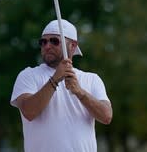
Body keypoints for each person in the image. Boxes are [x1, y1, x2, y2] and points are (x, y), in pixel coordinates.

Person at [10, 19, 113, 152]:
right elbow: (29, 112)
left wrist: (80, 92)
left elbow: (106, 116)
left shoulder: (92, 79)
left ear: (73, 45)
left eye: (54, 41)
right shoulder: (28, 75)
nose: (47, 46)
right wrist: (55, 79)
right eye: (43, 42)